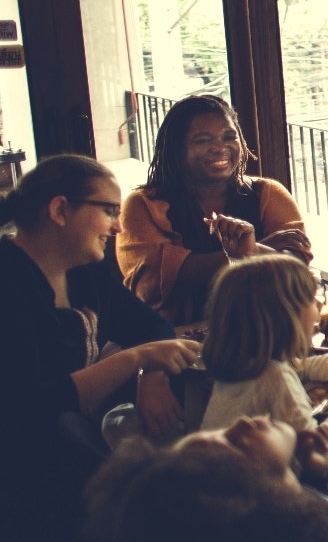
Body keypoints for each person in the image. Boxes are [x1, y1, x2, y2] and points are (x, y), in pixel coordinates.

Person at [0, 154, 202, 539]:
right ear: (60, 209)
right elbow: (34, 406)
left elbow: (150, 325)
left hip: (63, 451)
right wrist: (135, 359)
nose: (119, 224)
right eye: (109, 210)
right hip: (21, 480)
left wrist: (153, 375)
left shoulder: (85, 270)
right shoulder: (7, 281)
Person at [83, 416, 328, 542]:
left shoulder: (288, 510)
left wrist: (314, 479)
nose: (240, 422)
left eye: (221, 429)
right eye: (237, 443)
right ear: (264, 499)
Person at [117, 95, 313, 325]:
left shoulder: (267, 193)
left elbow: (297, 265)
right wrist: (257, 251)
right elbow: (154, 281)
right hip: (177, 341)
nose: (220, 147)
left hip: (266, 331)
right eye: (202, 140)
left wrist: (248, 253)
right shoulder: (142, 205)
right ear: (176, 148)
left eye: (229, 137)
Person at [200, 254, 328, 451]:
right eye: (310, 299)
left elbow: (302, 367)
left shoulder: (243, 365)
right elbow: (315, 448)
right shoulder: (275, 378)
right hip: (260, 480)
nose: (319, 305)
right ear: (284, 318)